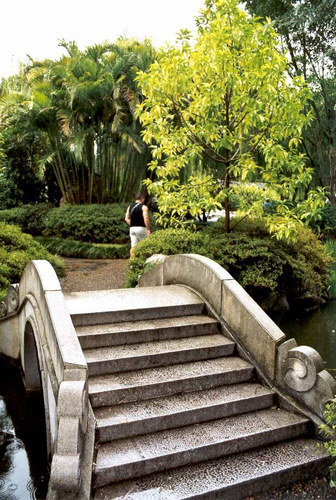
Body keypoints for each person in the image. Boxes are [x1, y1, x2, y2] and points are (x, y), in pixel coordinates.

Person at [125, 193, 151, 258]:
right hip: (141, 228)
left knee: (133, 247)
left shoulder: (129, 207)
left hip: (132, 229)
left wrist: (132, 224)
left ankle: (133, 263)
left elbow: (126, 218)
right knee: (145, 245)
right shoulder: (144, 207)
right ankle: (145, 261)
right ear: (142, 199)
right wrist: (148, 229)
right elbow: (146, 218)